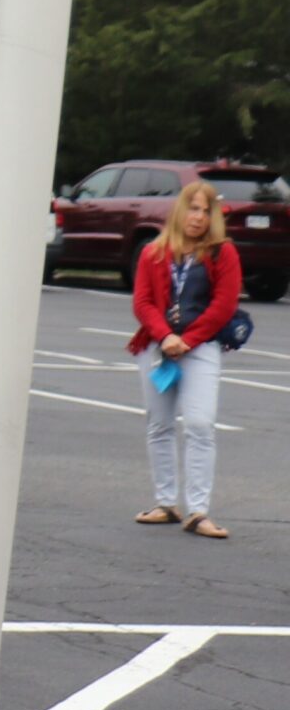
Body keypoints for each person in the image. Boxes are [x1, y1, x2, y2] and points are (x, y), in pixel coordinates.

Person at [128, 179, 239, 539]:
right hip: (157, 347)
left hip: (201, 348)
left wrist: (187, 340)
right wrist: (165, 336)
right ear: (180, 211)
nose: (198, 218)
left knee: (200, 424)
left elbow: (223, 306)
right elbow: (142, 302)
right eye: (192, 209)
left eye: (206, 211)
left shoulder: (223, 253)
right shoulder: (153, 253)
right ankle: (165, 503)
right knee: (159, 425)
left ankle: (198, 511)